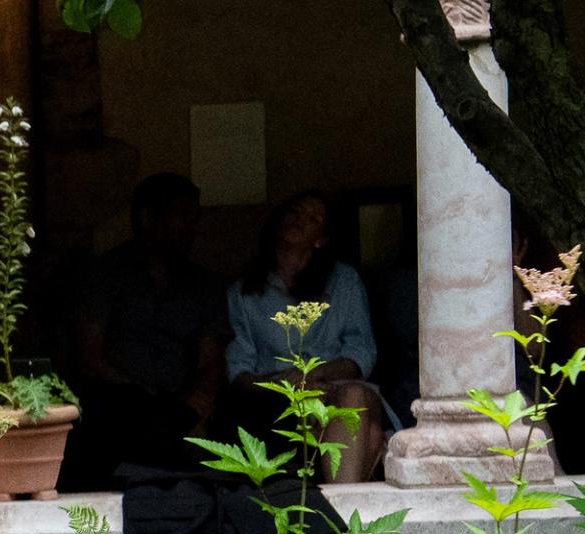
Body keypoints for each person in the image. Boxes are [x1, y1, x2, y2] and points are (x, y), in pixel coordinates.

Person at [70, 171, 227, 477]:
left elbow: (213, 357)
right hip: (119, 403)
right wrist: (150, 397)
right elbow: (89, 357)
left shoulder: (204, 283)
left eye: (195, 218)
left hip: (185, 405)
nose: (192, 228)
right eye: (183, 217)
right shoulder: (105, 274)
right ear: (147, 219)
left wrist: (202, 400)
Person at [226, 189, 389, 482]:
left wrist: (318, 374)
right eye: (294, 213)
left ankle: (339, 507)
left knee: (353, 395)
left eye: (312, 219)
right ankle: (346, 511)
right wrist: (284, 381)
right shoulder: (243, 293)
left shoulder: (344, 281)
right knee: (372, 436)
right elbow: (238, 370)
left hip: (336, 385)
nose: (299, 221)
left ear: (321, 239)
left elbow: (361, 350)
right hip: (279, 397)